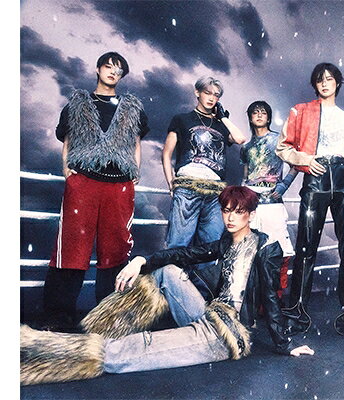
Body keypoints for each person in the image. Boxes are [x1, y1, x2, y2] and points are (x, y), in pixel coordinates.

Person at [21, 186, 314, 386]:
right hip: (207, 311)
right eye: (226, 210)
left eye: (237, 211)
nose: (230, 217)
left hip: (225, 333)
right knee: (168, 271)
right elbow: (184, 254)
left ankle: (51, 354)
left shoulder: (267, 248)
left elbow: (270, 297)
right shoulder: (226, 241)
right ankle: (100, 328)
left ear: (251, 213)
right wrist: (142, 261)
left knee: (134, 350)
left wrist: (285, 345)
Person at [41, 51, 150, 332]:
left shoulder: (132, 108)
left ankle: (108, 315)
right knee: (71, 247)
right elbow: (68, 139)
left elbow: (136, 143)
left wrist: (135, 172)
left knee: (116, 249)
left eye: (119, 69)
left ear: (122, 76)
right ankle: (58, 316)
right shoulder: (78, 104)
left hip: (118, 182)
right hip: (84, 182)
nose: (113, 72)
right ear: (98, 69)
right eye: (109, 66)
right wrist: (67, 171)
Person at [276, 62, 344, 338]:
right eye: (320, 79)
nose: (325, 83)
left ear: (338, 83)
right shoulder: (301, 110)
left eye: (330, 79)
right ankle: (297, 313)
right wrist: (305, 160)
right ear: (315, 84)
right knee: (306, 247)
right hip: (316, 178)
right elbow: (283, 147)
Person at [162, 76, 247, 252]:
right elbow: (167, 153)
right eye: (207, 93)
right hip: (187, 187)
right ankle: (173, 272)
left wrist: (222, 117)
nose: (211, 98)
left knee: (210, 247)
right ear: (197, 92)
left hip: (215, 192)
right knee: (178, 243)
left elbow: (240, 139)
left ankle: (202, 272)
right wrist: (171, 183)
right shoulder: (182, 119)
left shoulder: (221, 125)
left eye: (216, 95)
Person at [240, 100, 298, 298]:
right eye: (255, 112)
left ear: (269, 117)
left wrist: (283, 186)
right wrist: (242, 197)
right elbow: (245, 175)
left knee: (278, 248)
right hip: (251, 203)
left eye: (263, 112)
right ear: (250, 117)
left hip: (272, 203)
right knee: (249, 249)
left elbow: (295, 164)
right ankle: (253, 299)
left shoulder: (278, 140)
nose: (259, 115)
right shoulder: (246, 147)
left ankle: (275, 298)